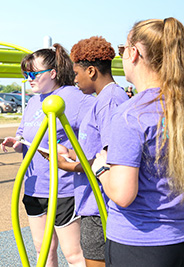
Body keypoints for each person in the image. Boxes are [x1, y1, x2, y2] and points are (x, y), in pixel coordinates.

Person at [92, 18, 184, 266]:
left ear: (133, 53)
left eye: (122, 50)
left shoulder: (131, 114)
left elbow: (123, 195)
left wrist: (101, 168)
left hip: (139, 242)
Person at [2, 45, 94, 267]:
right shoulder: (34, 101)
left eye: (34, 74)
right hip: (35, 186)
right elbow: (24, 136)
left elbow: (95, 136)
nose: (29, 79)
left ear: (53, 73)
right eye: (26, 75)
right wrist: (16, 143)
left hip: (63, 188)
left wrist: (70, 151)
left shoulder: (77, 98)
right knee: (42, 251)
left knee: (74, 255)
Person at [56, 36, 129, 267]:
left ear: (91, 71)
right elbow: (97, 150)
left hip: (100, 206)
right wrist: (72, 152)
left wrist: (69, 166)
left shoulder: (109, 101)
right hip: (92, 202)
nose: (75, 80)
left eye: (76, 74)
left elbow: (111, 159)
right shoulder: (103, 99)